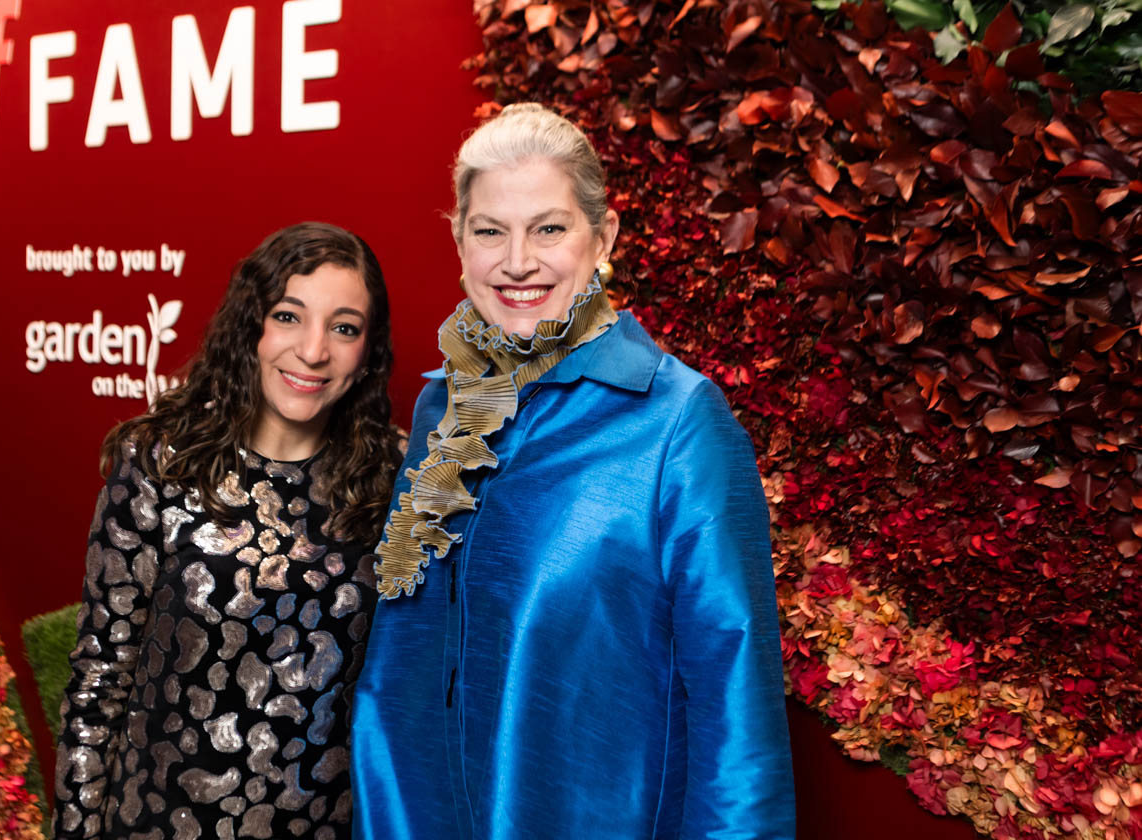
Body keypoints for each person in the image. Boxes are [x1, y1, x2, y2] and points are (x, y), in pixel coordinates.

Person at [351, 104, 795, 839]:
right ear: (459, 242)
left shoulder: (678, 421)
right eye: (490, 230)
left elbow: (736, 704)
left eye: (549, 228)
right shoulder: (442, 406)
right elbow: (402, 660)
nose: (517, 261)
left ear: (605, 237)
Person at [53, 222, 404, 840]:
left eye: (344, 328)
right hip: (154, 824)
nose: (314, 350)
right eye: (289, 316)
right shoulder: (164, 458)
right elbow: (101, 675)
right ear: (253, 326)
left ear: (368, 351)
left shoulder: (394, 481)